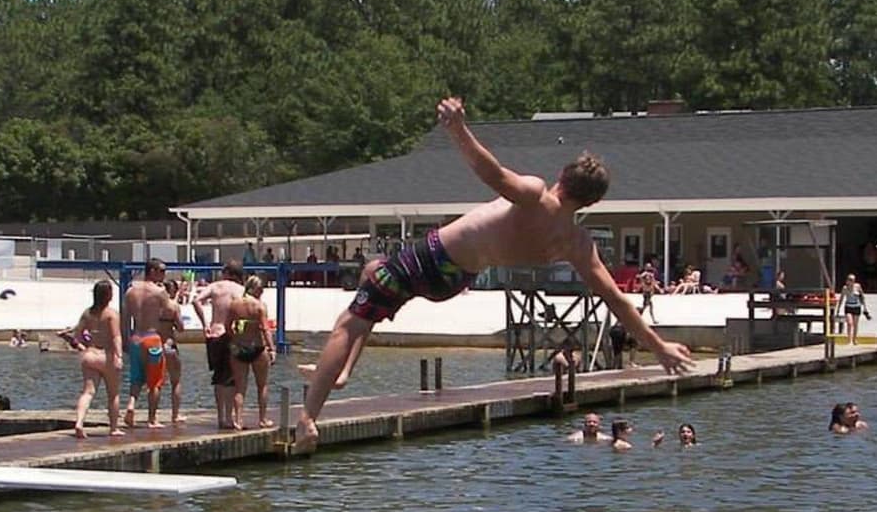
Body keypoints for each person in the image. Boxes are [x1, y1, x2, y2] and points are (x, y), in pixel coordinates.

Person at [295, 97, 692, 452]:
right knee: (374, 276)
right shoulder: (576, 243)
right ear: (593, 201)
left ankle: (309, 417)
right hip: (454, 282)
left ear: (562, 177)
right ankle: (343, 372)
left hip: (432, 256)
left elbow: (493, 173)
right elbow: (617, 301)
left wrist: (458, 129)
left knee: (347, 324)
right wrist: (658, 347)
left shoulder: (536, 195)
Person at [192, 259, 246, 429]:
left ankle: (221, 417)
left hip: (214, 333)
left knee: (217, 377)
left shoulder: (215, 286)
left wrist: (205, 324)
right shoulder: (241, 290)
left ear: (226, 273)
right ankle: (229, 418)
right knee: (230, 378)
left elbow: (195, 300)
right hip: (231, 335)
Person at [68, 279, 123, 438]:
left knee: (88, 392)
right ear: (109, 295)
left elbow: (76, 336)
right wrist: (119, 356)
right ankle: (113, 428)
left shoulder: (87, 313)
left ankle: (79, 422)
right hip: (107, 356)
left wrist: (82, 348)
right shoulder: (111, 314)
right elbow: (116, 337)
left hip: (90, 355)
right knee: (113, 394)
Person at [223, 275, 277, 430]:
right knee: (262, 385)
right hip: (257, 348)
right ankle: (263, 419)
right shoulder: (259, 306)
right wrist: (272, 348)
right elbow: (265, 329)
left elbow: (227, 326)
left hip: (239, 347)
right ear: (254, 289)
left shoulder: (234, 304)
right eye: (261, 289)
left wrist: (235, 338)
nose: (262, 292)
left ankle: (238, 420)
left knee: (240, 387)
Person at [124, 258, 169, 428]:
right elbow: (170, 310)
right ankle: (152, 419)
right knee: (155, 382)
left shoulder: (130, 291)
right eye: (162, 271)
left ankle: (131, 405)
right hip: (152, 338)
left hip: (135, 339)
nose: (164, 275)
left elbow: (125, 319)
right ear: (152, 271)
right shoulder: (158, 292)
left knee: (136, 379)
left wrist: (124, 339)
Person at [157, 278, 186, 425]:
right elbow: (181, 328)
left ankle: (152, 416)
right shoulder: (173, 307)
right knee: (176, 381)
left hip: (155, 345)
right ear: (173, 290)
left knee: (155, 383)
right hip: (169, 345)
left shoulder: (154, 306)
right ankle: (175, 415)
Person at [837, 273, 869, 344]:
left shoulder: (857, 286)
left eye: (852, 280)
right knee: (849, 323)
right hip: (848, 307)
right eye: (850, 280)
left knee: (855, 324)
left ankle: (854, 339)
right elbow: (841, 299)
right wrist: (838, 308)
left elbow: (862, 296)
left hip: (856, 307)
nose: (851, 281)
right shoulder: (845, 288)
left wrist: (865, 307)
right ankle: (849, 340)